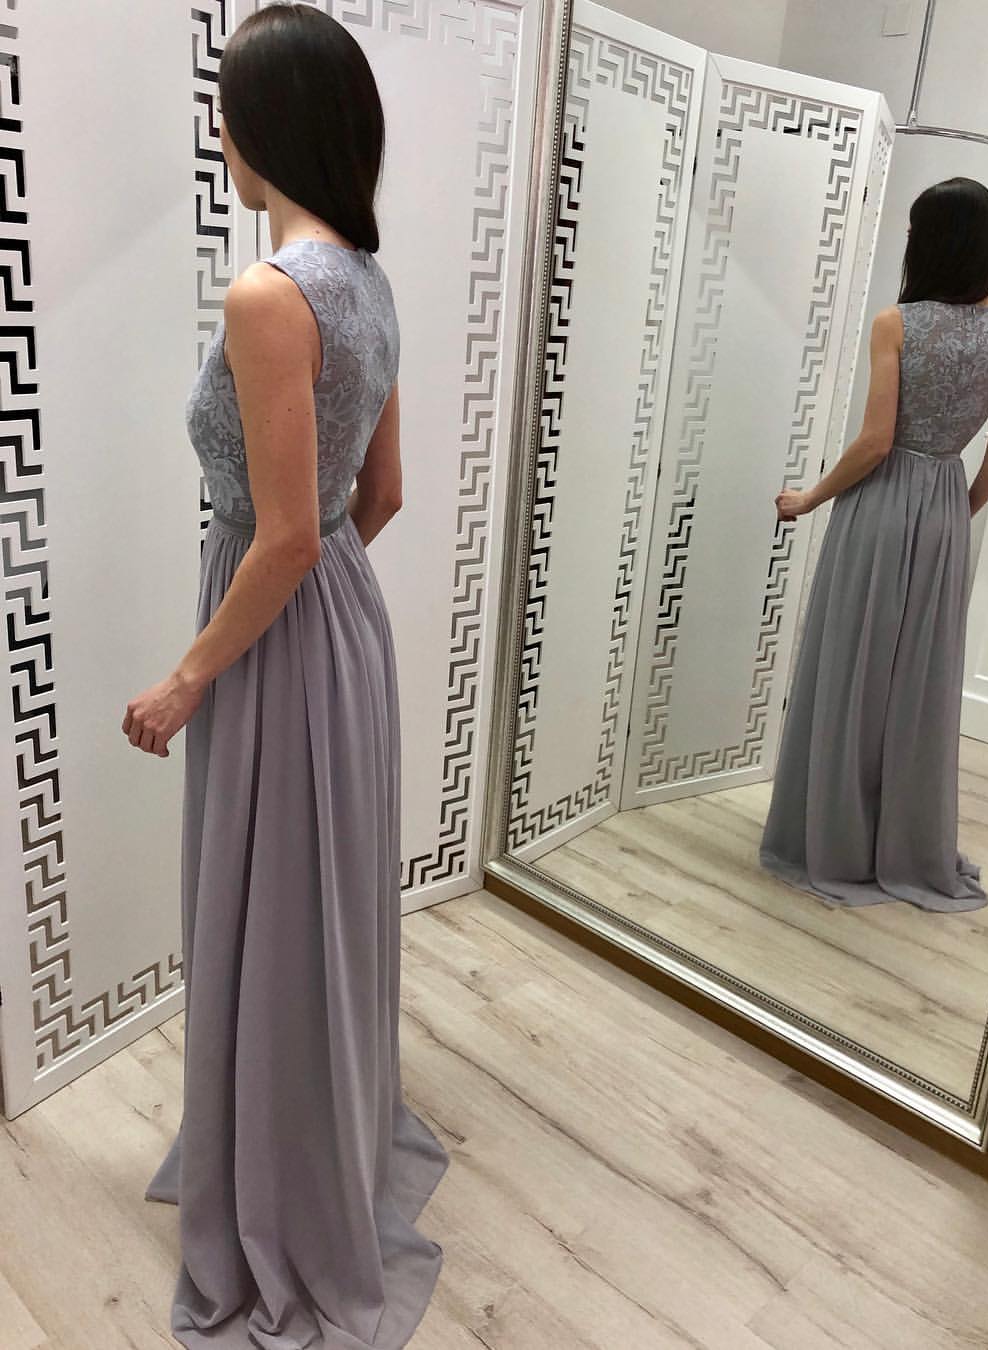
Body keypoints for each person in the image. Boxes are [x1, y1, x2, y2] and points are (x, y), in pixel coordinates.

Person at [125, 6, 449, 1345]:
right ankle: (311, 1144)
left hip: (266, 631)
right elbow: (382, 496)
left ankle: (272, 1180)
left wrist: (189, 677)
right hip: (339, 630)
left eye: (227, 110)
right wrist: (316, 612)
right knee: (310, 900)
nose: (218, 134)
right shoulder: (367, 280)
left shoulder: (270, 294)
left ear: (266, 127)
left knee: (268, 897)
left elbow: (288, 532)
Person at [759, 176, 988, 912]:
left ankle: (835, 841)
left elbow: (876, 442)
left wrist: (810, 497)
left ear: (933, 242)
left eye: (915, 230)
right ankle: (905, 845)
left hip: (879, 507)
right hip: (945, 508)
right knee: (918, 687)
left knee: (853, 669)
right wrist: (956, 513)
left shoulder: (897, 323)